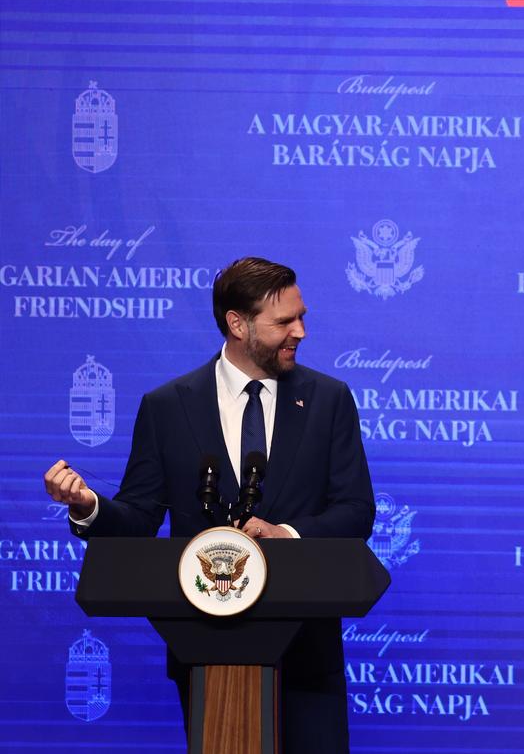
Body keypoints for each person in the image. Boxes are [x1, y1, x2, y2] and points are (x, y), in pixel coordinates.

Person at [43, 256, 374, 754]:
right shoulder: (168, 406)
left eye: (302, 316)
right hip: (206, 646)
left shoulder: (329, 400)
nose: (300, 331)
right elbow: (138, 519)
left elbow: (355, 511)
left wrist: (284, 534)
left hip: (307, 650)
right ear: (237, 323)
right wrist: (90, 506)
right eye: (284, 321)